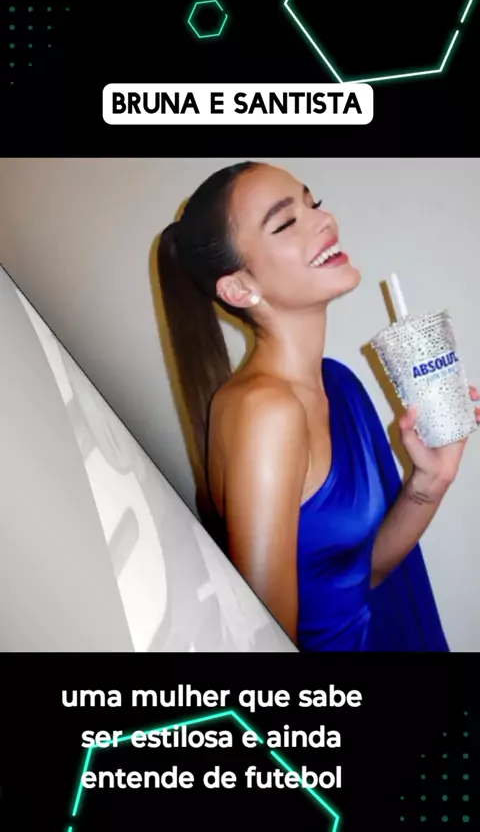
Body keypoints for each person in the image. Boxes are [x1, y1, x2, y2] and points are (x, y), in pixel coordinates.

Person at [157, 160, 479, 652]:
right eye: (286, 222)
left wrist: (429, 482)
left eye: (314, 204)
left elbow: (359, 576)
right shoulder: (264, 413)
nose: (324, 220)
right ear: (239, 288)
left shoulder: (338, 383)